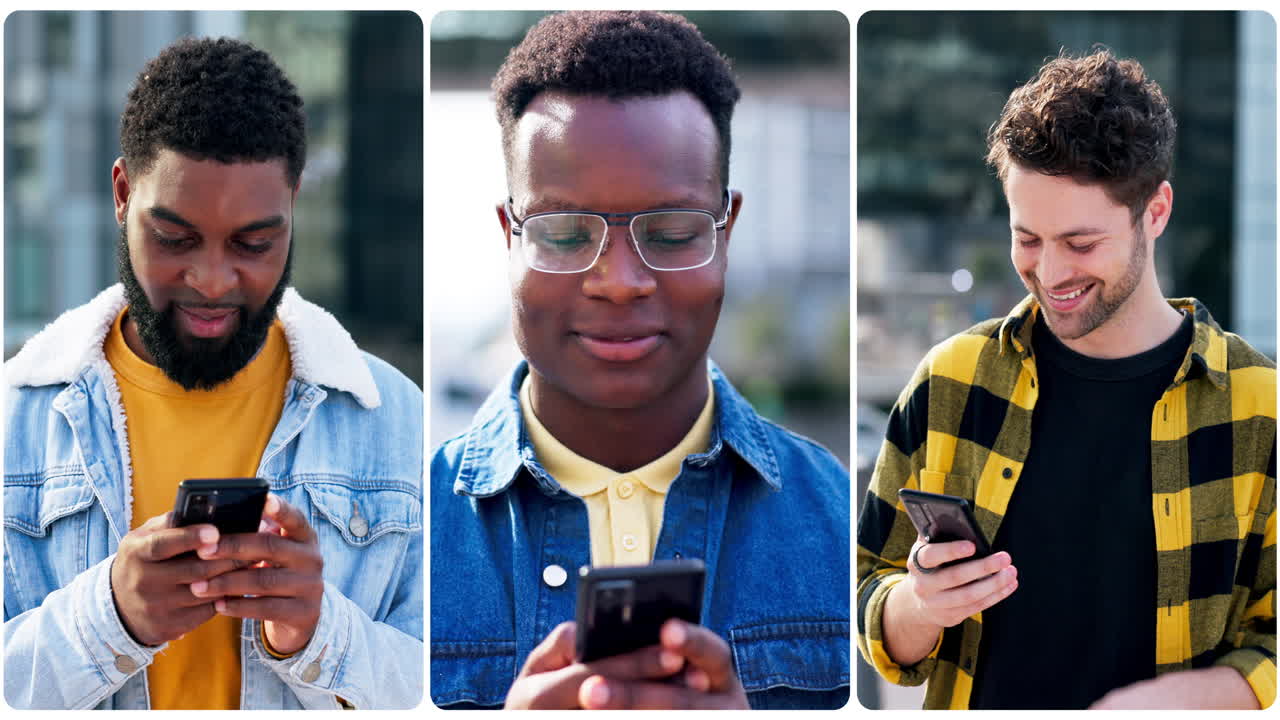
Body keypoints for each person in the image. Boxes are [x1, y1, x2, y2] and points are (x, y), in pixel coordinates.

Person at [430, 11, 850, 710]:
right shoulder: (411, 540)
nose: (619, 280)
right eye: (564, 234)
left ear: (726, 229)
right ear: (509, 236)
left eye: (672, 232)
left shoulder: (842, 523)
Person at [3, 37, 423, 710]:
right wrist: (107, 619)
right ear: (120, 194)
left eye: (255, 244)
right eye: (174, 239)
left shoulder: (398, 418)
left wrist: (317, 633)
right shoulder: (13, 420)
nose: (211, 280)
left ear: (294, 206)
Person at [857, 48, 1275, 710]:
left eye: (1080, 244)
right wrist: (919, 604)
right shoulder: (950, 380)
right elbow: (869, 600)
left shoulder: (1261, 406)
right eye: (1028, 239)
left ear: (1156, 212)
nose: (1051, 274)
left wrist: (1178, 702)